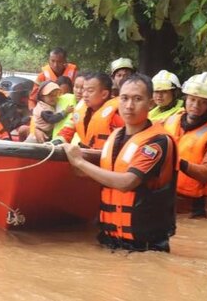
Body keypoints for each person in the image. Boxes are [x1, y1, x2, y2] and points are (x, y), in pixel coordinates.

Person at [64, 75, 177, 252]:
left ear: (150, 103)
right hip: (109, 240)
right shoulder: (114, 136)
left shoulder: (157, 142)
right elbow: (98, 174)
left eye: (137, 99)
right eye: (124, 98)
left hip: (144, 247)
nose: (129, 105)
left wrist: (79, 162)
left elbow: (126, 183)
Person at [163, 72, 207, 218]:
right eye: (192, 99)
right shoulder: (170, 121)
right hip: (165, 198)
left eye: (203, 102)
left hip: (193, 207)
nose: (195, 106)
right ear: (185, 99)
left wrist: (176, 161)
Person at [54, 73, 124, 149]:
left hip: (105, 157)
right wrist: (56, 142)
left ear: (104, 94)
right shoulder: (81, 110)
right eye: (84, 90)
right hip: (84, 154)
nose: (84, 95)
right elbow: (67, 131)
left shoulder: (117, 115)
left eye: (90, 91)